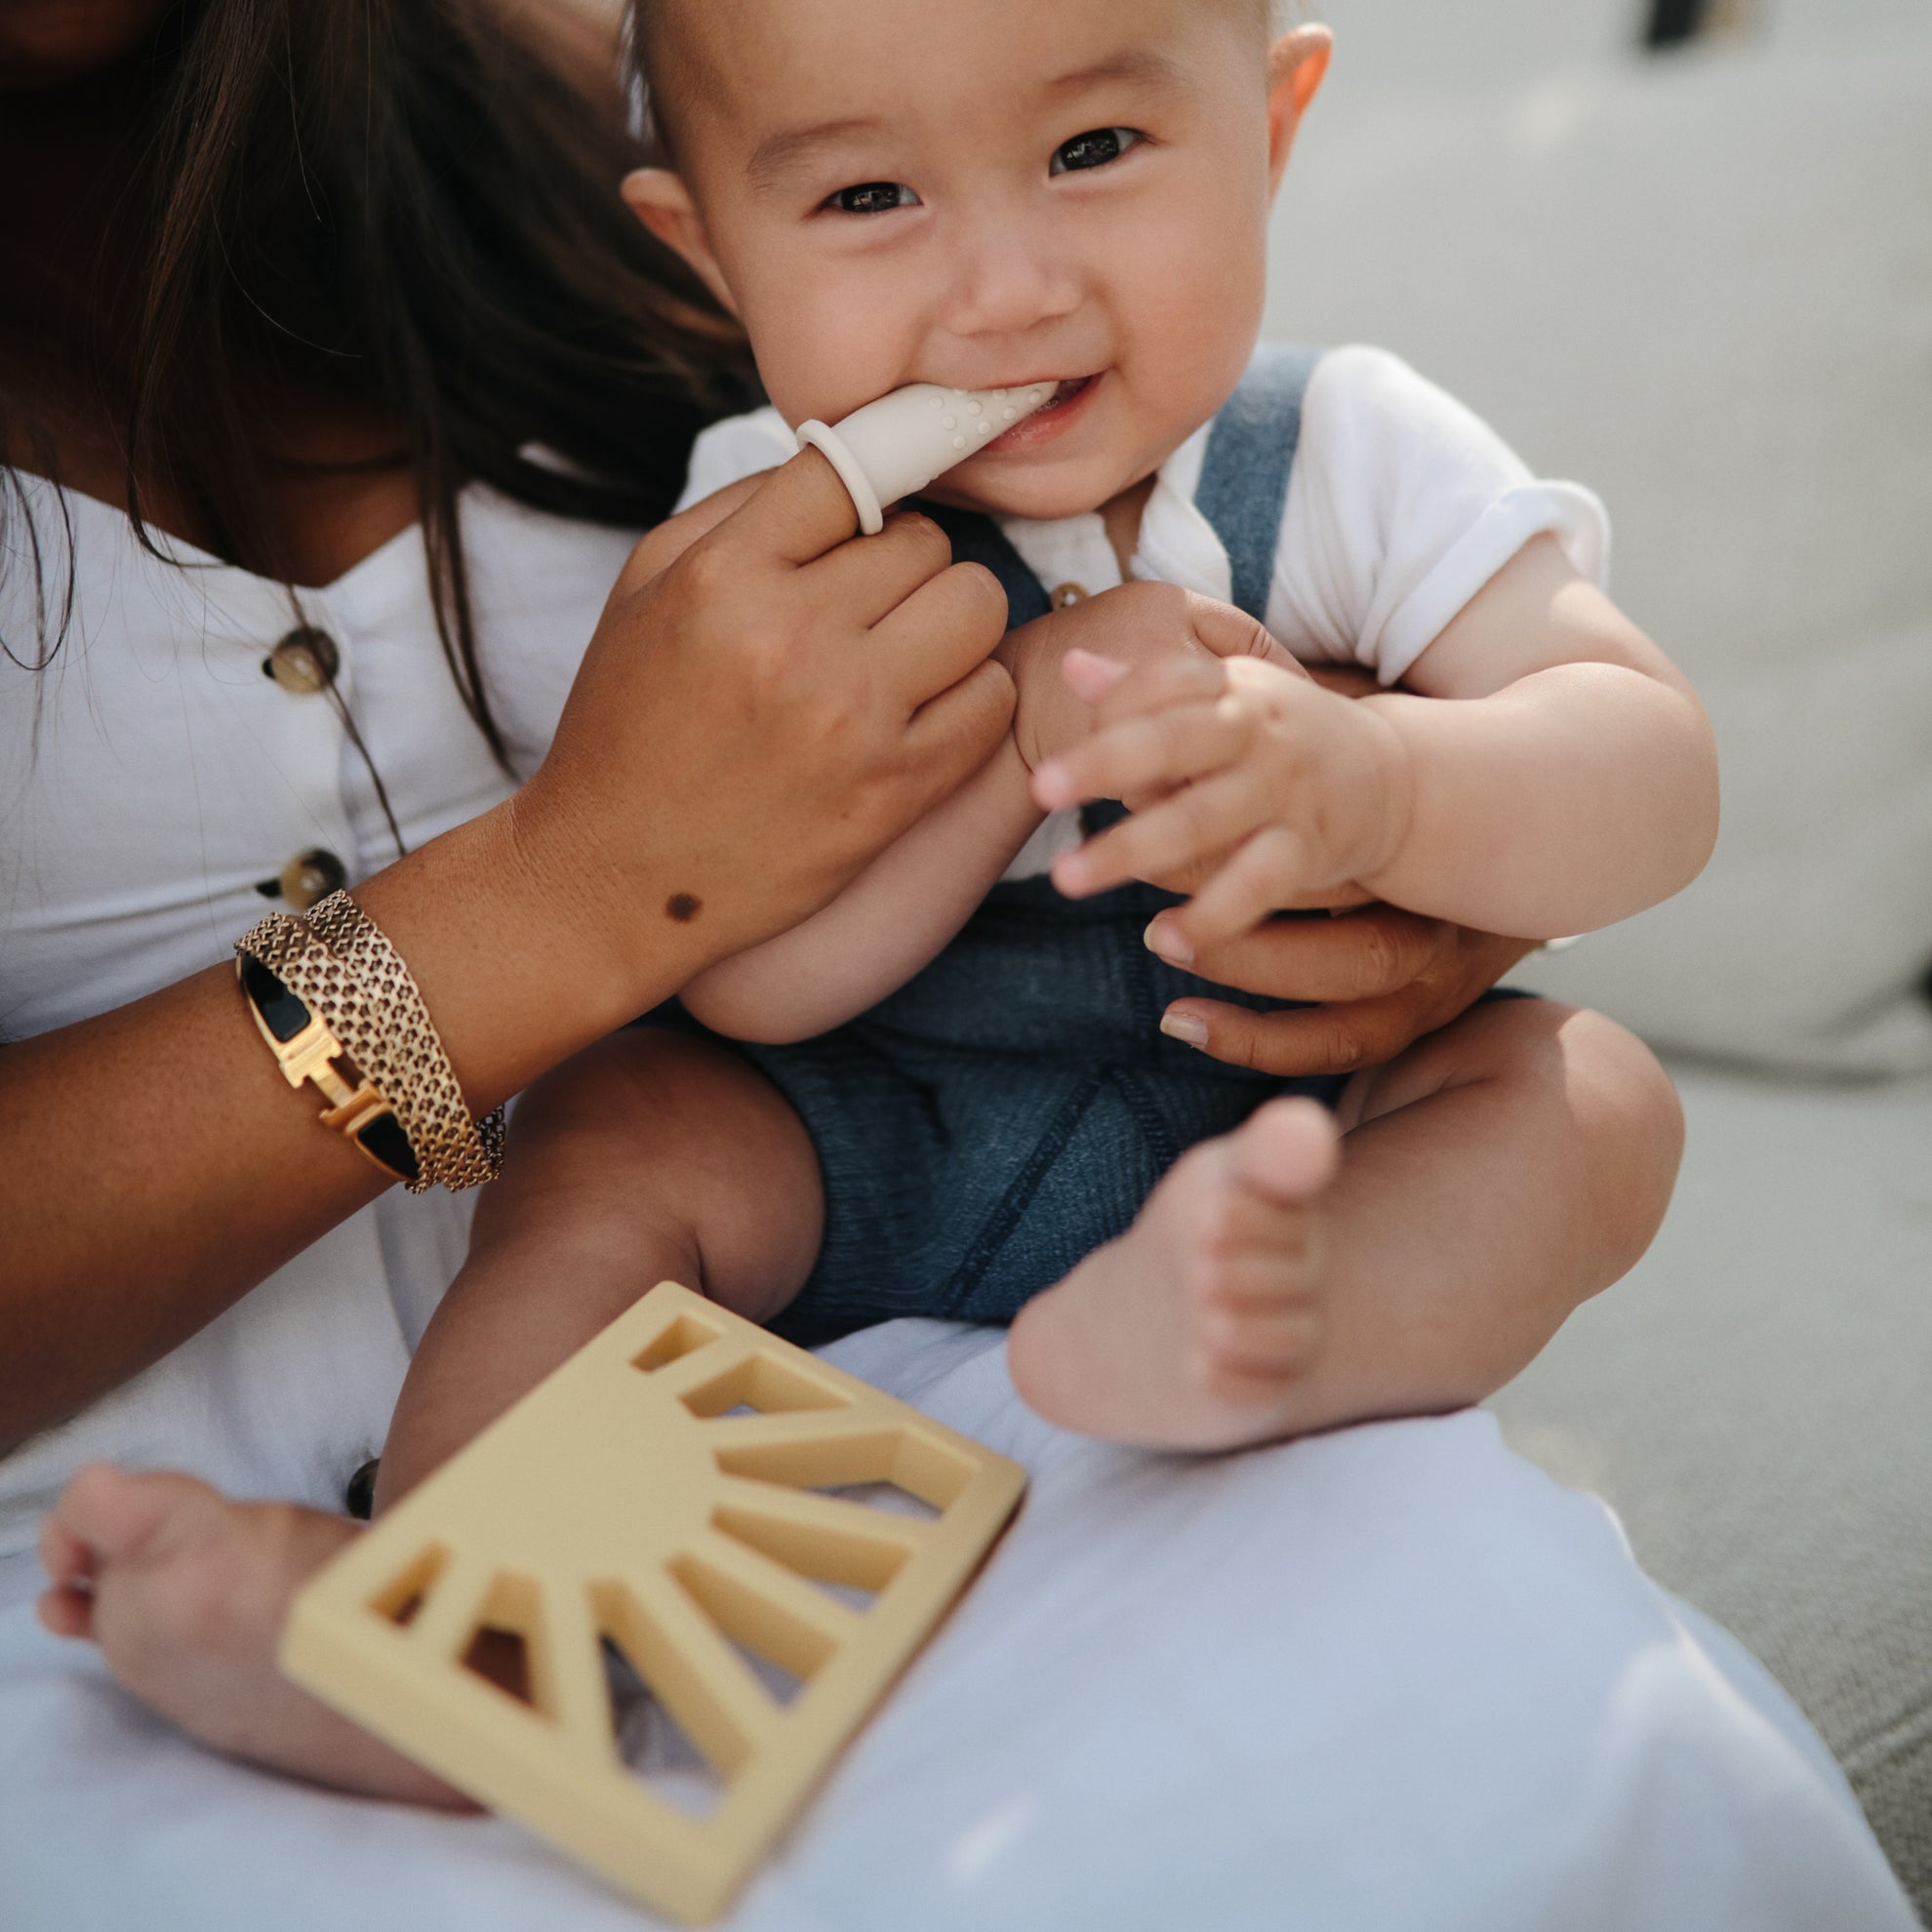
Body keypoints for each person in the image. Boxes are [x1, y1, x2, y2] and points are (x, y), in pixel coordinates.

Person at [24, 0, 1728, 1807]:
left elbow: (1652, 772)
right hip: (862, 1131)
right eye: (865, 199)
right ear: (704, 249)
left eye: (1092, 153)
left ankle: (1282, 1329)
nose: (1004, 286)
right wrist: (1013, 730)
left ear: (1279, 121)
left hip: (1279, 1117)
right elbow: (760, 987)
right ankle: (474, 1617)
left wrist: (1381, 786)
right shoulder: (756, 517)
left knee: (1589, 1098)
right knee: (608, 1143)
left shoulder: (1347, 448)